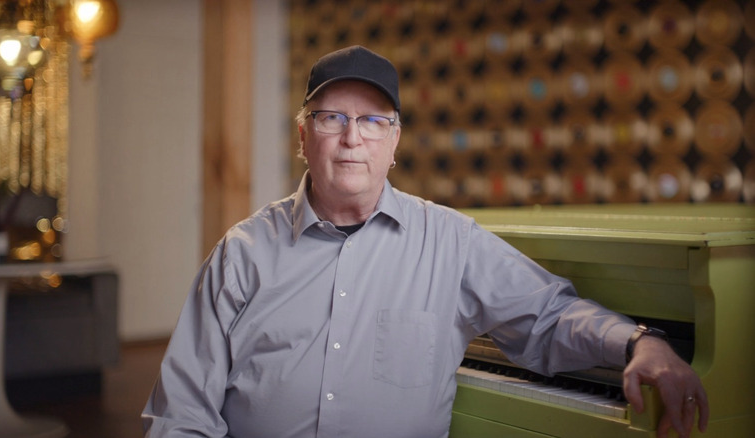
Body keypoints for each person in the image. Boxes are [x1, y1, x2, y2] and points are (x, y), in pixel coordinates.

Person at [142, 45, 708, 438]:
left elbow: (547, 317)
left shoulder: (452, 241)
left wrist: (641, 342)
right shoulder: (243, 253)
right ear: (302, 136)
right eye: (330, 117)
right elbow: (182, 415)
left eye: (372, 122)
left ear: (395, 142)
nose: (350, 139)